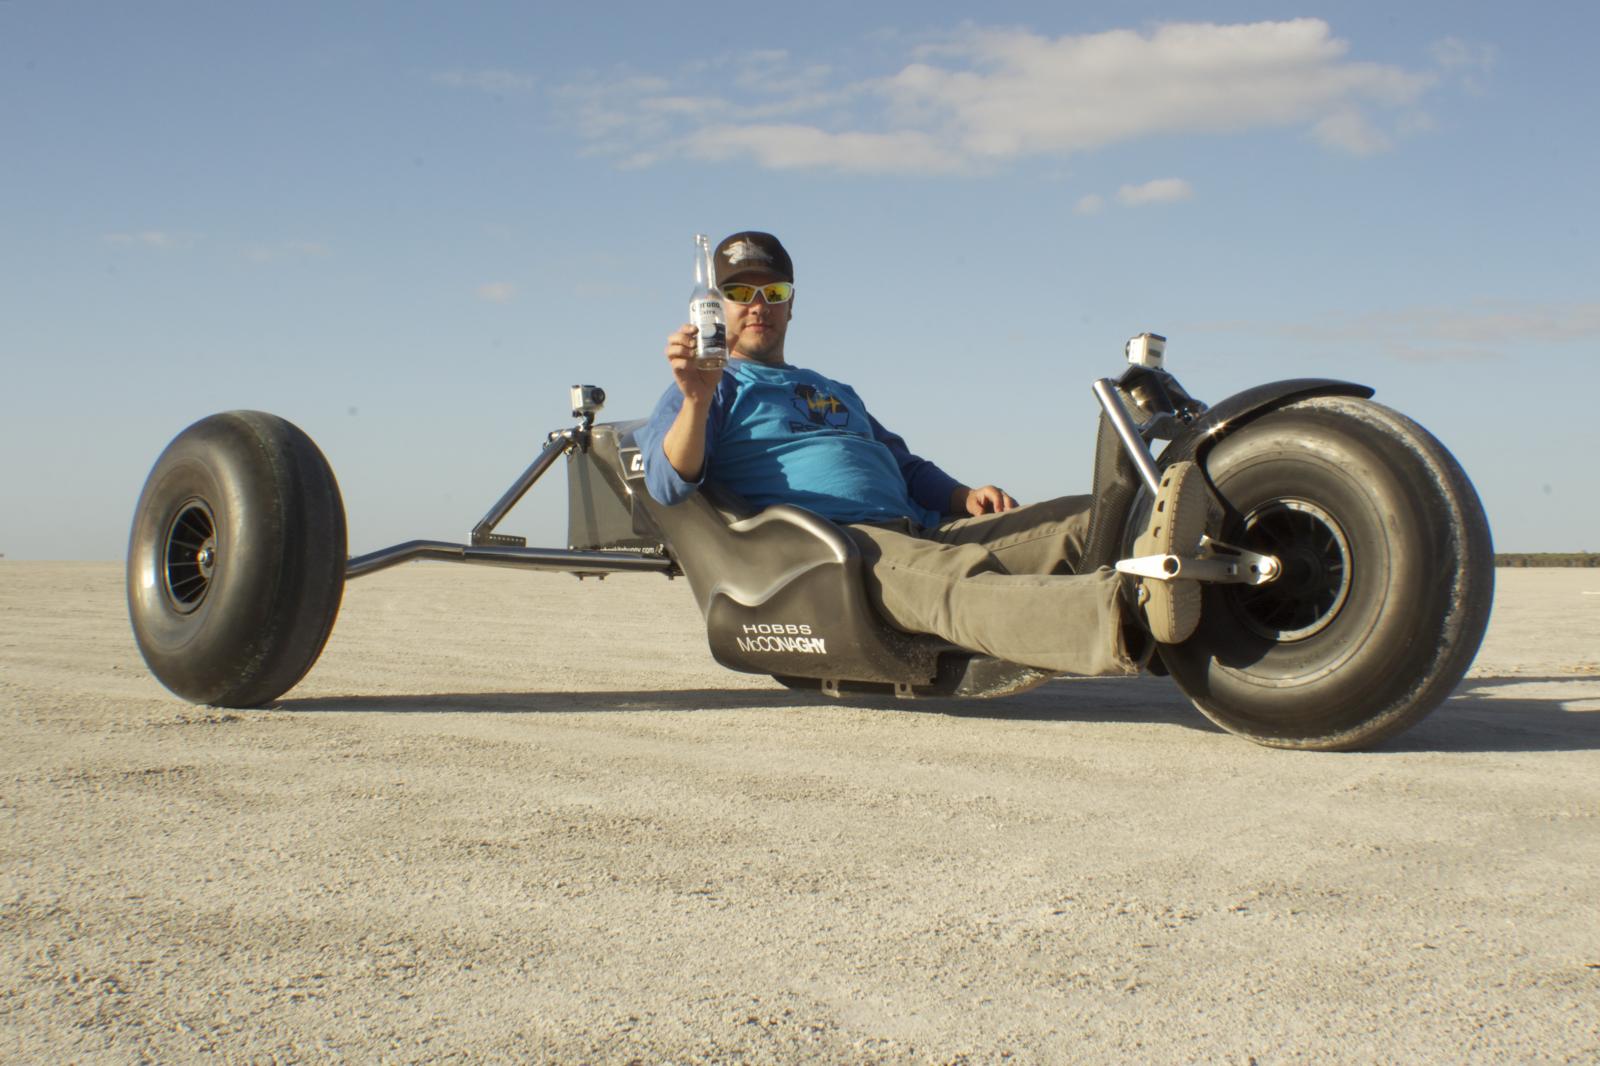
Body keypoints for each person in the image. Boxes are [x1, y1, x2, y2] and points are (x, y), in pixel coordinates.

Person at [636, 231, 1205, 677]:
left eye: (774, 293)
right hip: (836, 550)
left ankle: (1210, 563)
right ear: (715, 308)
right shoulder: (711, 387)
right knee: (958, 580)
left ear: (791, 305)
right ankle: (1132, 614)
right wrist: (697, 398)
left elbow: (902, 463)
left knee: (1083, 518)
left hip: (919, 530)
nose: (758, 306)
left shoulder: (833, 389)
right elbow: (668, 483)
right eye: (740, 294)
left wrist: (961, 495)